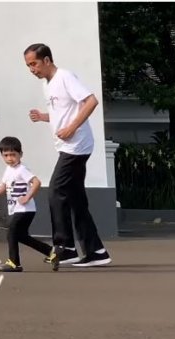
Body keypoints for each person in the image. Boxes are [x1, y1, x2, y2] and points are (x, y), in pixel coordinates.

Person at [23, 43, 111, 267]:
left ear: (47, 60)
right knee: (75, 200)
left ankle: (66, 247)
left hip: (76, 147)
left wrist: (72, 128)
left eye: (34, 64)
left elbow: (91, 101)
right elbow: (61, 112)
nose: (32, 69)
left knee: (56, 191)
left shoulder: (64, 76)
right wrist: (44, 116)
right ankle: (96, 251)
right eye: (28, 66)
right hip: (67, 147)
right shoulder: (48, 84)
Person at [0, 136, 53, 272]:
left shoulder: (22, 169)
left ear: (20, 154)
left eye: (13, 154)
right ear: (2, 156)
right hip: (17, 209)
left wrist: (27, 197)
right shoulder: (8, 170)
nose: (10, 158)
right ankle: (51, 252)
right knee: (21, 236)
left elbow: (37, 182)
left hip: (25, 209)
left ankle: (14, 263)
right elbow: (4, 186)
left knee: (11, 232)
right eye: (6, 155)